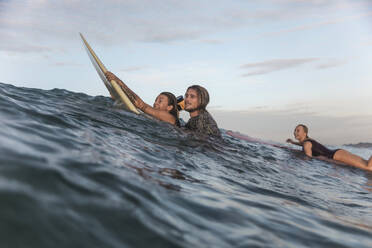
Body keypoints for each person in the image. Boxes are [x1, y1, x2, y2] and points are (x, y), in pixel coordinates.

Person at [105, 71, 180, 126]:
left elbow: (141, 105)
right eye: (155, 100)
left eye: (160, 101)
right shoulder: (156, 118)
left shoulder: (170, 118)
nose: (155, 103)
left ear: (169, 107)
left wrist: (119, 82)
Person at [286, 124, 372, 171]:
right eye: (295, 130)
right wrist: (293, 142)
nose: (295, 132)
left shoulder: (306, 144)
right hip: (337, 153)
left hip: (336, 155)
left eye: (298, 130)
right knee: (367, 164)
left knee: (368, 167)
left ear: (304, 133)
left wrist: (296, 161)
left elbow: (308, 158)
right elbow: (305, 145)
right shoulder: (308, 141)